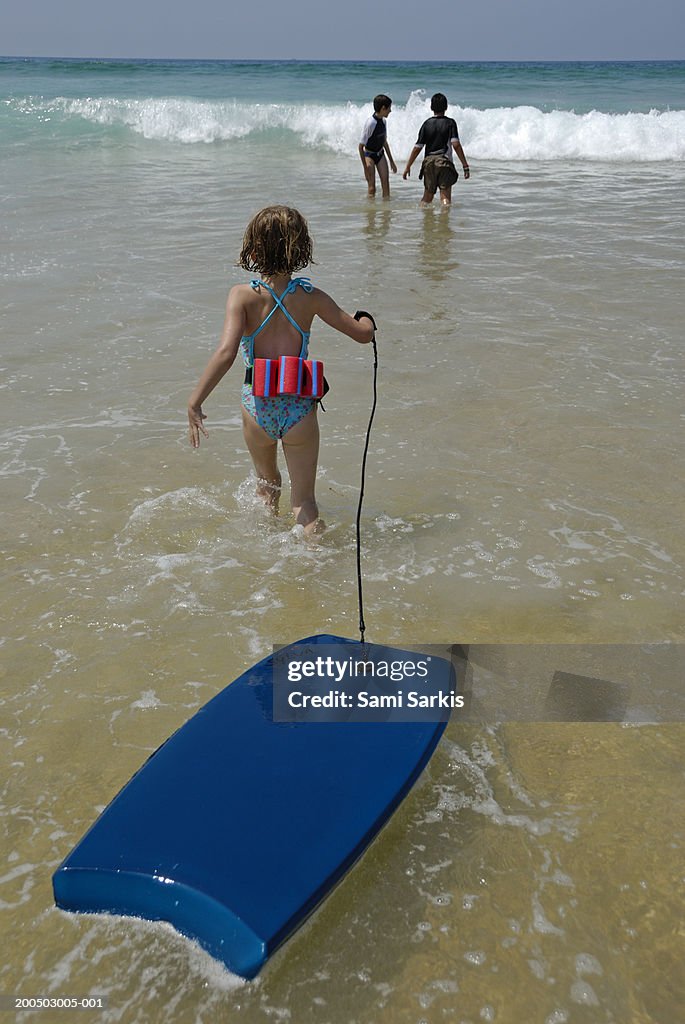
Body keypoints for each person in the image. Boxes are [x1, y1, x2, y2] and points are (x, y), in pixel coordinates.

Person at [187, 206, 375, 537]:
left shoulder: (242, 296)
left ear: (254, 249)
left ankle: (264, 561)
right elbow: (361, 335)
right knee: (304, 503)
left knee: (266, 491)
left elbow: (226, 352)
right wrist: (368, 320)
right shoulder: (310, 297)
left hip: (257, 406)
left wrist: (195, 401)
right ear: (301, 248)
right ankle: (314, 563)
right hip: (299, 409)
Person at [403, 93, 470, 206]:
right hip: (444, 162)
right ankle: (443, 222)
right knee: (445, 197)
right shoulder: (450, 123)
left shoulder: (426, 124)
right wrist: (465, 165)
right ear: (446, 107)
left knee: (427, 197)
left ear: (431, 107)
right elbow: (456, 144)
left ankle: (423, 220)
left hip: (429, 162)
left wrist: (408, 166)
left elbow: (417, 148)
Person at [359, 94, 397, 199]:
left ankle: (386, 212)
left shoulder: (383, 122)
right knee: (372, 188)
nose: (390, 110)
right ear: (383, 108)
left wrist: (391, 161)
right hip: (369, 155)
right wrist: (365, 168)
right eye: (389, 108)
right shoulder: (370, 123)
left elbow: (384, 142)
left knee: (386, 184)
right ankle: (370, 212)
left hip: (380, 154)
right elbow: (360, 146)